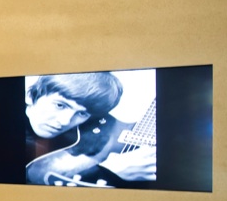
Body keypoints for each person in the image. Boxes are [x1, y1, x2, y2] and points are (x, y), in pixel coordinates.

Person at [24, 72, 156, 186]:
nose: (65, 121)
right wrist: (108, 173)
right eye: (60, 105)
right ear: (30, 97)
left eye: (82, 113)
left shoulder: (90, 126)